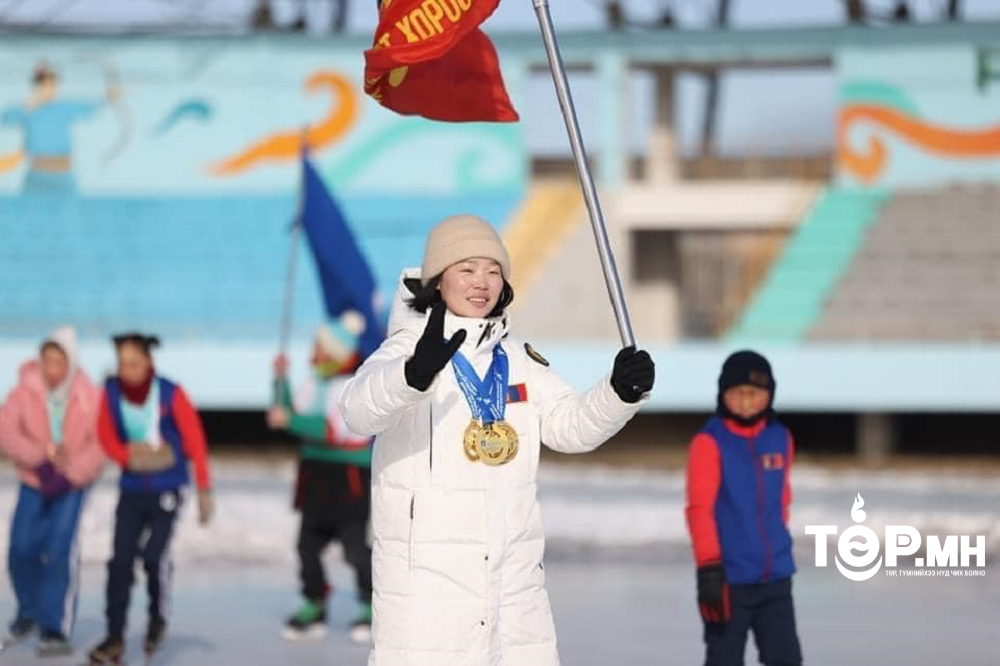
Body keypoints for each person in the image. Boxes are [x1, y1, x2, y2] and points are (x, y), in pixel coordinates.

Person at [339, 214, 655, 665]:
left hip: (513, 590)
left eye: (493, 271)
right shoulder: (406, 350)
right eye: (466, 269)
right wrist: (412, 376)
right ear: (438, 280)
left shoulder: (519, 359)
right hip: (427, 595)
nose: (481, 282)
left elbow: (570, 427)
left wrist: (619, 393)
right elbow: (357, 411)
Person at [86, 333, 213, 665]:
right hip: (131, 490)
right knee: (120, 563)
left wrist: (204, 488)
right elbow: (105, 434)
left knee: (154, 557)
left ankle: (158, 617)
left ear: (149, 362)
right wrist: (127, 456)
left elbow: (195, 439)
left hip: (167, 489)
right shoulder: (111, 392)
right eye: (122, 363)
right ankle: (114, 635)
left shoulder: (171, 393)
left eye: (134, 362)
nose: (127, 370)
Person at [685, 350, 803, 666]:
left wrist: (779, 545)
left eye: (754, 393)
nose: (747, 402)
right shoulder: (709, 442)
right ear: (723, 394)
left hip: (776, 578)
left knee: (786, 660)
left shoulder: (780, 437)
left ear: (769, 394)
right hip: (727, 580)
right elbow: (699, 510)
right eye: (738, 393)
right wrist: (709, 568)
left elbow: (782, 499)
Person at [267, 316, 375, 643]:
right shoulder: (313, 382)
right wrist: (280, 379)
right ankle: (314, 600)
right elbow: (291, 411)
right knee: (307, 545)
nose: (313, 353)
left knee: (355, 547)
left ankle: (371, 604)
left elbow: (331, 429)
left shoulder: (351, 385)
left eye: (319, 347)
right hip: (315, 474)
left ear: (335, 353)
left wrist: (290, 420)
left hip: (348, 476)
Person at [0, 326, 102, 657]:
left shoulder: (89, 396)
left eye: (59, 362)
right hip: (34, 480)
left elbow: (99, 444)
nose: (52, 369)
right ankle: (29, 611)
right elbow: (6, 430)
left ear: (70, 363)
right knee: (19, 549)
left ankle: (54, 626)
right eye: (47, 361)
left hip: (71, 485)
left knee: (58, 550)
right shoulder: (23, 391)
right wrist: (39, 458)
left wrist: (70, 476)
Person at [0, 61, 120, 193]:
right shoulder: (26, 108)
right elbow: (6, 119)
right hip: (37, 173)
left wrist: (108, 97)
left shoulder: (65, 107)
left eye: (51, 83)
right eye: (42, 83)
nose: (47, 87)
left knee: (69, 204)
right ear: (36, 86)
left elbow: (91, 107)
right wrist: (27, 106)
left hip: (64, 174)